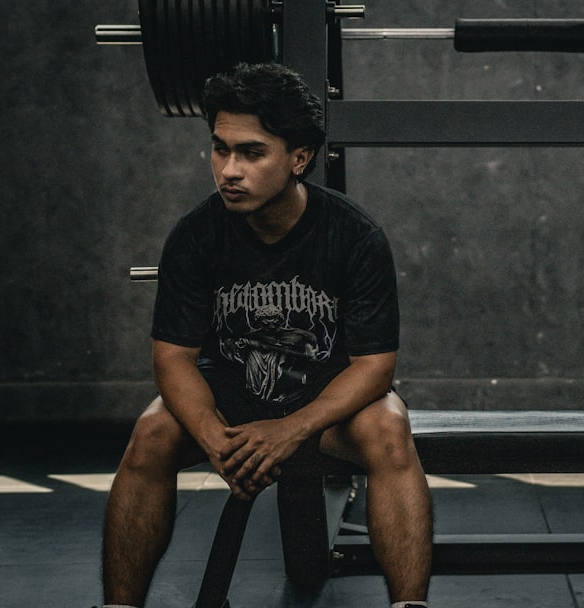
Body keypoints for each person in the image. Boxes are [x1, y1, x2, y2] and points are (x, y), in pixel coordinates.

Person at [101, 62, 432, 608]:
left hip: (324, 404)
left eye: (251, 153)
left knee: (390, 429)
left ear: (299, 158)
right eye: (220, 148)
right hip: (230, 399)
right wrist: (213, 437)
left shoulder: (354, 236)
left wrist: (290, 428)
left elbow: (375, 365)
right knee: (152, 433)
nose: (229, 169)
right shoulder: (195, 235)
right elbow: (173, 359)